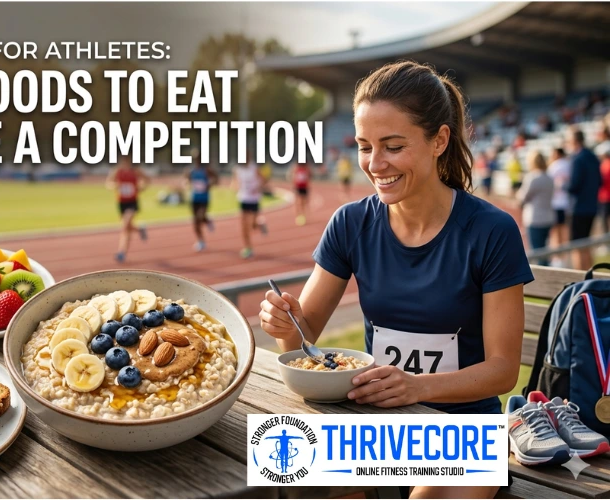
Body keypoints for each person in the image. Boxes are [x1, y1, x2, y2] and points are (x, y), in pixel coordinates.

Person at [259, 61, 530, 500]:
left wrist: (417, 387)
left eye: (393, 146)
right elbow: (301, 342)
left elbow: (503, 371)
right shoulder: (350, 223)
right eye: (364, 146)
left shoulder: (491, 231)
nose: (374, 163)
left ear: (439, 140)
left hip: (464, 430)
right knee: (271, 467)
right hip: (373, 426)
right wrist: (284, 322)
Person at [566, 128, 601, 270]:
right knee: (586, 245)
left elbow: (574, 185)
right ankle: (590, 275)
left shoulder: (578, 158)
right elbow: (599, 181)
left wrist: (562, 185)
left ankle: (581, 277)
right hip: (592, 206)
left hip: (579, 207)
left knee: (577, 246)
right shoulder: (593, 157)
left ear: (574, 140)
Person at [106, 157, 149, 263]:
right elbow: (108, 182)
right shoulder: (117, 171)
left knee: (125, 226)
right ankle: (140, 229)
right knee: (128, 227)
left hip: (132, 202)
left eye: (126, 160)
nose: (125, 162)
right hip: (121, 203)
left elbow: (147, 179)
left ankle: (121, 252)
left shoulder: (135, 170)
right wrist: (114, 186)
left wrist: (142, 187)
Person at [516, 151, 555, 266]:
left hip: (535, 217)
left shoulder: (533, 178)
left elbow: (522, 197)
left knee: (537, 251)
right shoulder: (549, 177)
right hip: (548, 216)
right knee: (544, 249)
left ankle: (543, 273)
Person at [232, 157, 267, 259]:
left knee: (252, 225)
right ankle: (248, 248)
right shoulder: (237, 169)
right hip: (243, 199)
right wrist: (235, 186)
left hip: (254, 200)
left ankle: (260, 224)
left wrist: (258, 187)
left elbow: (264, 179)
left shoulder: (254, 168)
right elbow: (235, 182)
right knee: (244, 226)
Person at [184, 153, 218, 252]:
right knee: (196, 222)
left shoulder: (206, 170)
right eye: (195, 159)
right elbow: (187, 179)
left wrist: (209, 185)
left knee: (200, 216)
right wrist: (187, 182)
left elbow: (216, 178)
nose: (197, 161)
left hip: (204, 198)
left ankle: (207, 220)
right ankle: (201, 241)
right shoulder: (191, 170)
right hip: (194, 198)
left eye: (198, 159)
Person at [547, 148, 572, 267]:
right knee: (565, 230)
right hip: (567, 203)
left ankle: (558, 258)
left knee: (556, 231)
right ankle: (564, 257)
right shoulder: (568, 164)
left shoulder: (554, 166)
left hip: (556, 202)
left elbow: (549, 183)